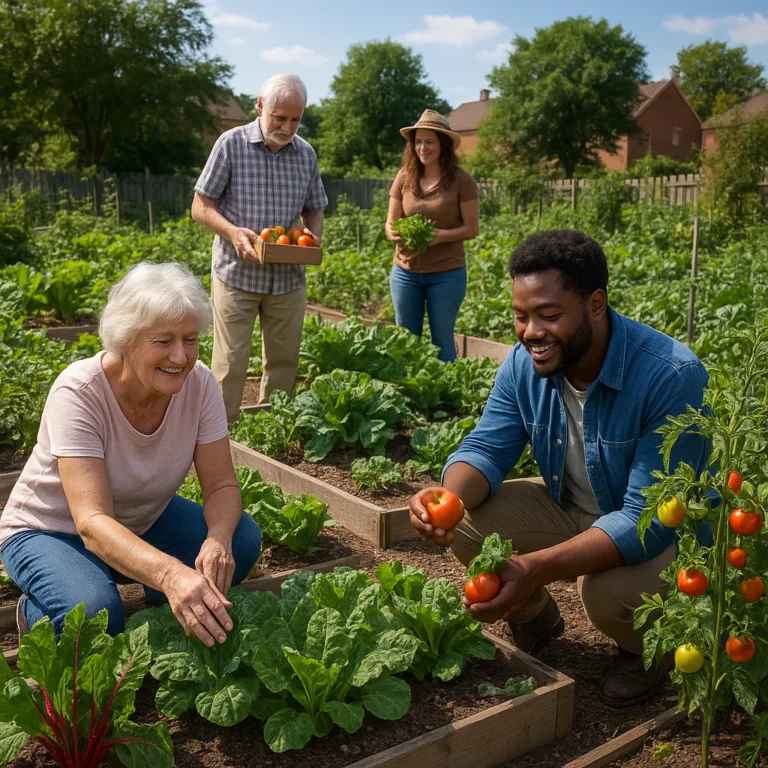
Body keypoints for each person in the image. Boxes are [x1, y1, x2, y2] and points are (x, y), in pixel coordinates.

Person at [408, 230, 710, 708]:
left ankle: (645, 651)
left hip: (660, 536)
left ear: (595, 304)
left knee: (606, 594)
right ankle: (536, 617)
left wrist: (537, 567)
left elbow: (645, 519)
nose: (531, 331)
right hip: (576, 510)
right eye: (521, 316)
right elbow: (487, 445)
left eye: (549, 315)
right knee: (468, 527)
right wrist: (446, 500)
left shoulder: (670, 374)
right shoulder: (524, 364)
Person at [0, 262, 261, 646]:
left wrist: (217, 541)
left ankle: (161, 596)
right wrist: (172, 573)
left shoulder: (200, 383)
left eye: (190, 339)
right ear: (125, 340)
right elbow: (90, 521)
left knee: (241, 540)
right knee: (95, 614)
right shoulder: (80, 392)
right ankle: (36, 612)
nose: (180, 356)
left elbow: (221, 484)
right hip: (52, 531)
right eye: (163, 341)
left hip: (142, 519)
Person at [191, 72, 328, 423]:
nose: (286, 127)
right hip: (237, 273)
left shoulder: (305, 155)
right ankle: (221, 432)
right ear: (260, 106)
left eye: (295, 119)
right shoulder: (231, 144)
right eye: (279, 117)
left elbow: (314, 208)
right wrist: (234, 233)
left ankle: (272, 428)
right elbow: (201, 206)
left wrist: (311, 237)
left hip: (287, 277)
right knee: (231, 360)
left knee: (284, 359)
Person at [385, 109, 479, 362]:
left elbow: (472, 228)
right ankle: (411, 394)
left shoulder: (461, 180)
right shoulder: (405, 176)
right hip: (405, 272)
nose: (422, 148)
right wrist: (395, 234)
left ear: (442, 144)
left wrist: (440, 235)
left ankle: (445, 397)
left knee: (442, 340)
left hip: (446, 274)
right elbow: (390, 224)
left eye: (429, 141)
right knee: (406, 340)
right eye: (417, 142)